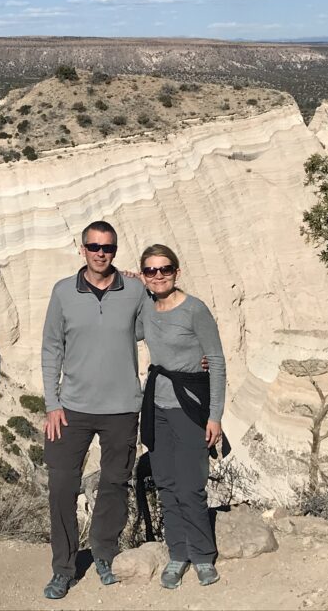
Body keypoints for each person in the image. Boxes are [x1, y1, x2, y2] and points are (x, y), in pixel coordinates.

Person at [40, 220, 146, 599]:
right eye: (94, 246)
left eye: (109, 248)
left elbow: (159, 323)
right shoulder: (63, 292)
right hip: (72, 410)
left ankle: (104, 553)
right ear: (82, 249)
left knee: (115, 484)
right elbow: (52, 348)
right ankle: (63, 569)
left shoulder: (134, 290)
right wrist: (52, 404)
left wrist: (148, 284)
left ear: (115, 250)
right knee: (62, 487)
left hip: (121, 408)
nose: (102, 253)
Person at [137, 244, 227, 589]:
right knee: (165, 484)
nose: (158, 276)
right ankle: (177, 554)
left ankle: (203, 556)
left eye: (165, 269)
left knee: (191, 486)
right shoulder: (147, 307)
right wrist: (131, 281)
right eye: (150, 270)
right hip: (155, 408)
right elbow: (129, 332)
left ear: (177, 271)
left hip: (189, 407)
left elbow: (216, 362)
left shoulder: (195, 310)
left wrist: (214, 416)